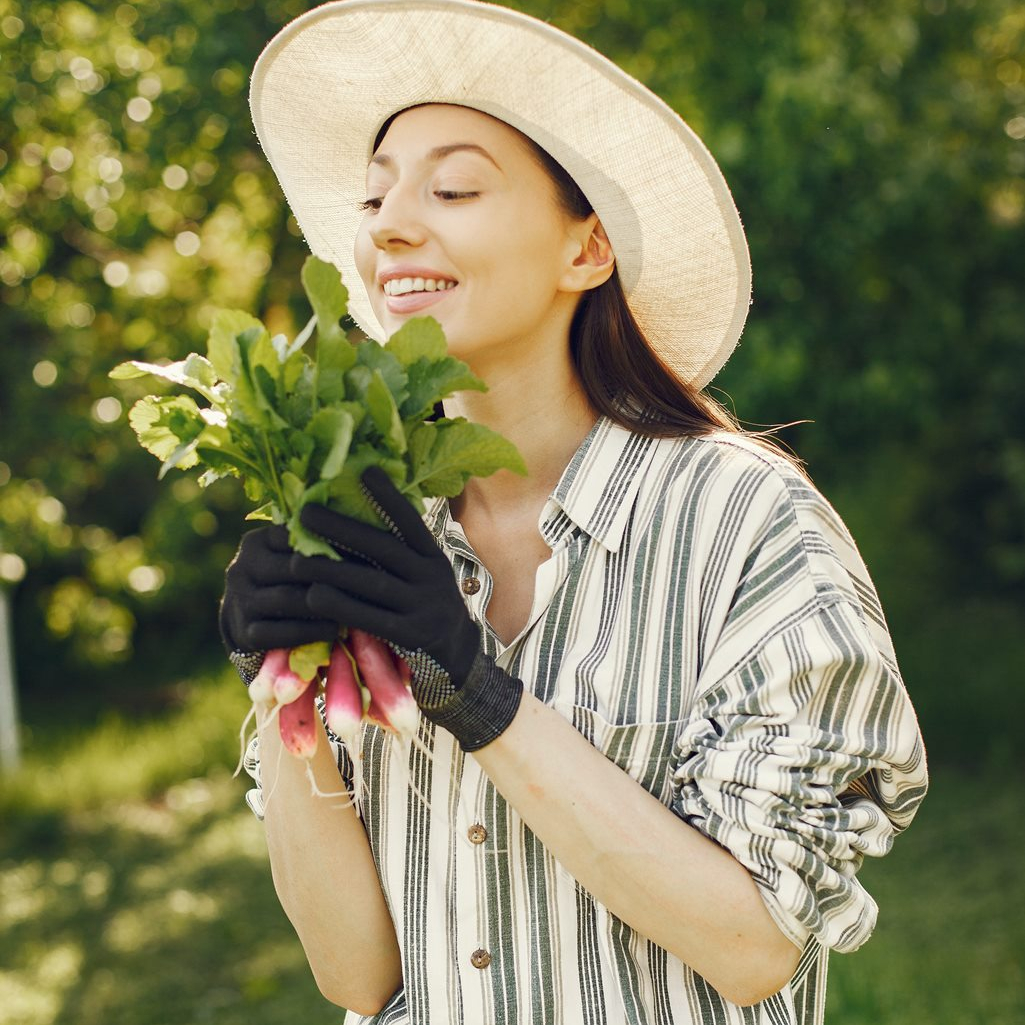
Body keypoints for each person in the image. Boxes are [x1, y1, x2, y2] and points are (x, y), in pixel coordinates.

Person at [219, 2, 928, 1022]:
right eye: (376, 197)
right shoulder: (362, 529)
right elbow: (357, 974)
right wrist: (281, 687)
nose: (388, 224)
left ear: (585, 250)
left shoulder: (742, 523)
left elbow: (752, 944)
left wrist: (472, 690)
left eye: (453, 186)